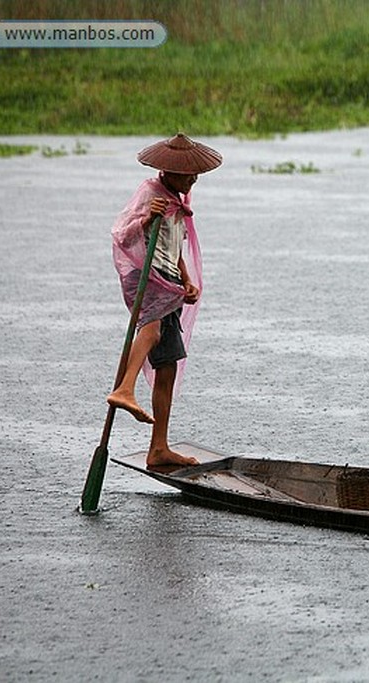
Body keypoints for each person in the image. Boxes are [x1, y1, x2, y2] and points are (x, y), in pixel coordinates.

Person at [105, 133, 222, 468]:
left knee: (167, 365)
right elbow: (121, 233)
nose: (193, 178)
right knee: (152, 330)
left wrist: (187, 280)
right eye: (188, 174)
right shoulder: (150, 193)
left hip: (168, 282)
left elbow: (175, 250)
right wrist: (147, 218)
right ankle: (124, 389)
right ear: (168, 172)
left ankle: (159, 447)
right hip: (144, 276)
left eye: (195, 174)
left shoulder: (178, 202)